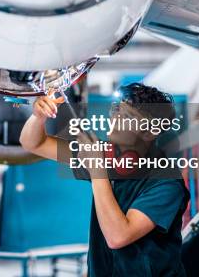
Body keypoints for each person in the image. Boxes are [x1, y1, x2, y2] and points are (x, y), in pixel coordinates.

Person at [19, 83, 190, 276]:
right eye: (117, 110)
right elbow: (34, 143)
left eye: (128, 117)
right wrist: (38, 117)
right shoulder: (105, 156)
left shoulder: (165, 181)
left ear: (150, 132)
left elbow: (118, 236)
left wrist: (97, 170)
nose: (115, 119)